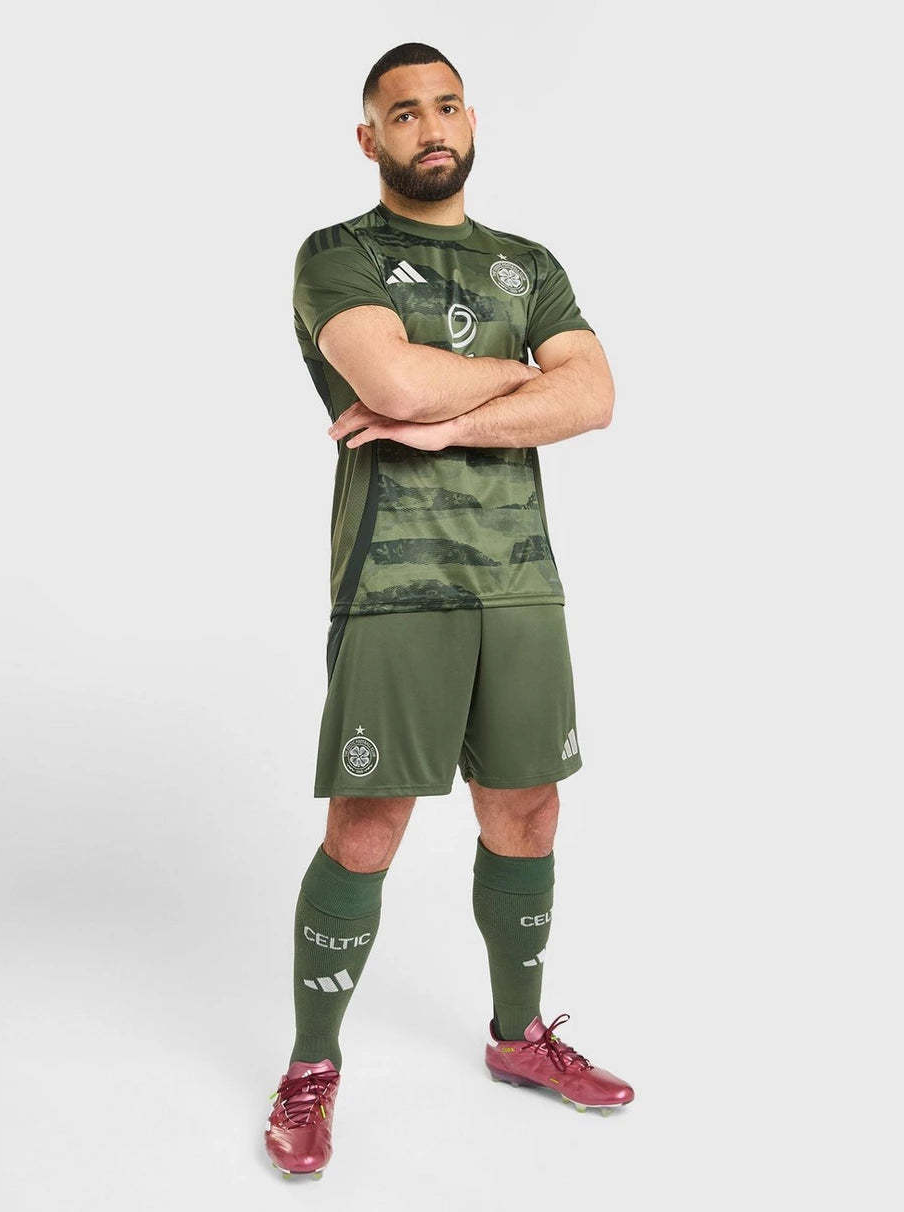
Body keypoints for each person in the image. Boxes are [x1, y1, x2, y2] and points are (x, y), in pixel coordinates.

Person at [265, 41, 633, 1180]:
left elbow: (596, 395)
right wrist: (522, 378)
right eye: (403, 112)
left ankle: (518, 1038)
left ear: (470, 122)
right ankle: (311, 1064)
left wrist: (452, 423)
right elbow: (393, 382)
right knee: (367, 826)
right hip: (395, 584)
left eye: (447, 106)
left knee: (527, 810)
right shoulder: (338, 255)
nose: (430, 126)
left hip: (519, 580)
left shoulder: (529, 265)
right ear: (368, 137)